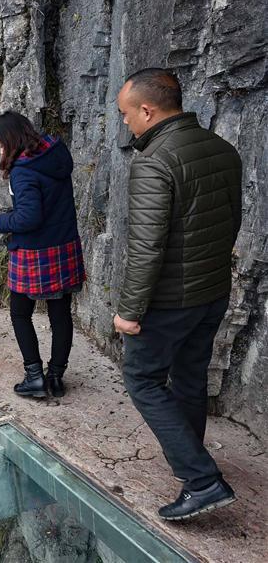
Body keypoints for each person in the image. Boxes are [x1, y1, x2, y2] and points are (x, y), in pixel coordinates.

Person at [114, 67, 242, 520]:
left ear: (147, 110)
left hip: (169, 300)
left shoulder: (155, 161)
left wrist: (129, 311)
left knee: (143, 380)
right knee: (189, 377)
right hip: (212, 291)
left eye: (126, 115)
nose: (125, 124)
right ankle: (192, 461)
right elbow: (232, 221)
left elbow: (146, 246)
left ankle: (202, 480)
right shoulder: (222, 149)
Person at [0, 112, 85, 398]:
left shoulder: (24, 169)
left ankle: (35, 377)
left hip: (35, 252)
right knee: (60, 315)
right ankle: (55, 377)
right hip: (64, 246)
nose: (0, 151)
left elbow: (28, 217)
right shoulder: (54, 154)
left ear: (10, 140)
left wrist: (0, 223)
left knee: (20, 313)